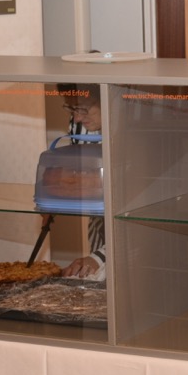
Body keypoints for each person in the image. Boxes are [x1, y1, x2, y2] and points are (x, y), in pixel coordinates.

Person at [57, 85, 106, 279]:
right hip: (99, 225)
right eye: (72, 108)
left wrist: (99, 258)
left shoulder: (134, 132)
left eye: (83, 108)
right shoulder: (80, 123)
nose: (77, 118)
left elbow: (136, 222)